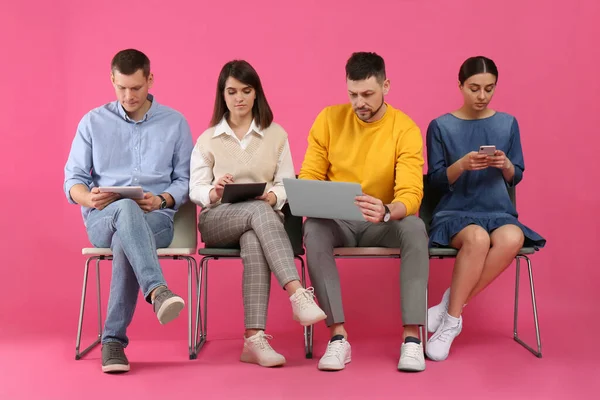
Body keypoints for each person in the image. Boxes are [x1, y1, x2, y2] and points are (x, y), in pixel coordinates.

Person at [189, 60, 326, 368]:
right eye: (232, 91)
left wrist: (274, 195)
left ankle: (253, 339)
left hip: (260, 223)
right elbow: (195, 189)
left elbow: (286, 183)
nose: (239, 98)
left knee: (254, 238)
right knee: (257, 211)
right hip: (218, 220)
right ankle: (297, 293)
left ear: (256, 94)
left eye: (246, 91)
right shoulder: (207, 138)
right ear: (222, 95)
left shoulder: (276, 135)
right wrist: (215, 189)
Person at [64, 49, 194, 373]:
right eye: (121, 88)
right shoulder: (92, 122)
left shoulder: (175, 123)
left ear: (150, 79)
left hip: (157, 219)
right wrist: (88, 199)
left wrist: (163, 199)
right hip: (103, 218)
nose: (128, 95)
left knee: (128, 238)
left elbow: (186, 180)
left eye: (136, 87)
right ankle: (158, 291)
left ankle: (113, 342)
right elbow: (73, 181)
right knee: (123, 210)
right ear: (112, 80)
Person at [299, 52, 429, 372]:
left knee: (414, 228)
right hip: (338, 221)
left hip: (381, 221)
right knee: (313, 229)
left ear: (385, 85)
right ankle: (338, 338)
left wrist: (388, 210)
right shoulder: (329, 119)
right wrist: (314, 196)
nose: (360, 102)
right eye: (353, 94)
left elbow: (411, 193)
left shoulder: (405, 128)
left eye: (368, 94)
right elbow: (309, 176)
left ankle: (412, 339)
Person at [425, 56, 546, 361]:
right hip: (454, 212)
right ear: (460, 85)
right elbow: (435, 182)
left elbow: (516, 175)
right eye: (474, 88)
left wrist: (506, 165)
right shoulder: (441, 126)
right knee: (477, 238)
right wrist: (462, 164)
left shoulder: (507, 123)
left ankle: (449, 310)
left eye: (489, 89)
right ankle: (451, 323)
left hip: (498, 210)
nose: (481, 96)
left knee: (512, 239)